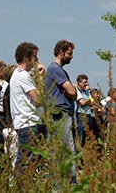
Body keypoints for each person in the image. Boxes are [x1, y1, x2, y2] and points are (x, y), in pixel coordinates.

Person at [10, 42, 46, 176]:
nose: (37, 60)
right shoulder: (22, 75)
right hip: (28, 123)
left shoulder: (19, 74)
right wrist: (41, 77)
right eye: (35, 57)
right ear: (26, 57)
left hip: (25, 123)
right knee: (25, 161)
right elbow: (39, 100)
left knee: (27, 160)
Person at [45, 39, 77, 184]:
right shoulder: (55, 69)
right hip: (60, 114)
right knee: (66, 150)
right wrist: (72, 91)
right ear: (61, 52)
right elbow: (72, 91)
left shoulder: (57, 70)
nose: (71, 57)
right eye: (69, 53)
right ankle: (68, 182)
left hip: (61, 113)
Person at [75, 74, 93, 147]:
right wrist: (89, 100)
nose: (87, 84)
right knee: (80, 136)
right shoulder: (77, 91)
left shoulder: (86, 92)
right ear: (79, 83)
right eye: (85, 82)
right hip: (81, 115)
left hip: (88, 114)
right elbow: (82, 102)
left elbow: (91, 103)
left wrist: (88, 101)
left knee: (87, 136)